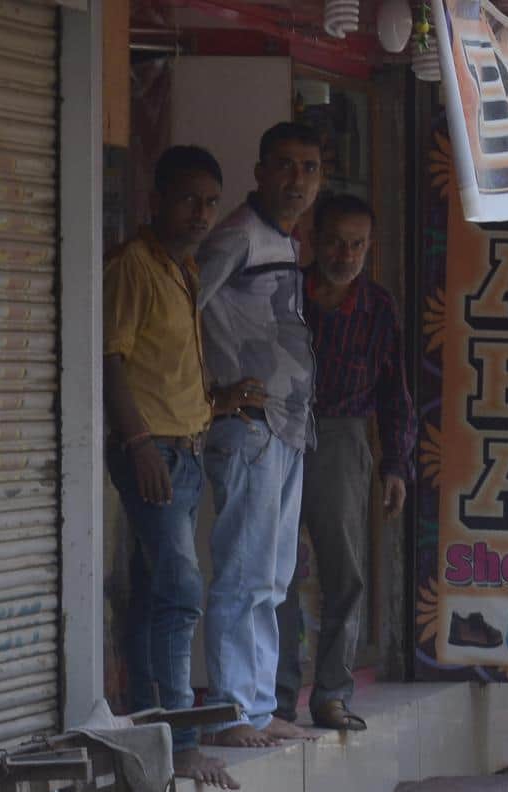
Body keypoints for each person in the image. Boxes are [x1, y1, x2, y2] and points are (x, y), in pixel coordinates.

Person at [103, 145, 243, 790]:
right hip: (152, 450)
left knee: (154, 591)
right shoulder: (134, 265)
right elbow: (111, 358)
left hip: (184, 448)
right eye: (189, 199)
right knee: (182, 593)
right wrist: (136, 443)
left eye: (211, 202)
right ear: (156, 200)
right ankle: (181, 742)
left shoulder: (180, 268)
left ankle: (145, 723)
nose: (202, 213)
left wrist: (217, 403)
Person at [196, 121, 324, 750]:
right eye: (283, 165)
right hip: (248, 428)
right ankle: (227, 711)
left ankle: (257, 703)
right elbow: (177, 311)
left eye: (308, 168)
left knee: (272, 579)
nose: (295, 180)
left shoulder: (284, 242)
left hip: (287, 427)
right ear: (259, 171)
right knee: (244, 574)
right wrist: (208, 394)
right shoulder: (236, 238)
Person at [274, 194, 414, 734]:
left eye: (357, 245)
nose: (345, 254)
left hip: (343, 438)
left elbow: (393, 393)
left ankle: (331, 692)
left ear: (370, 248)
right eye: (336, 241)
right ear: (313, 238)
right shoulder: (285, 294)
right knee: (276, 571)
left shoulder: (378, 307)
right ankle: (278, 697)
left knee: (345, 573)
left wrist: (395, 465)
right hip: (279, 430)